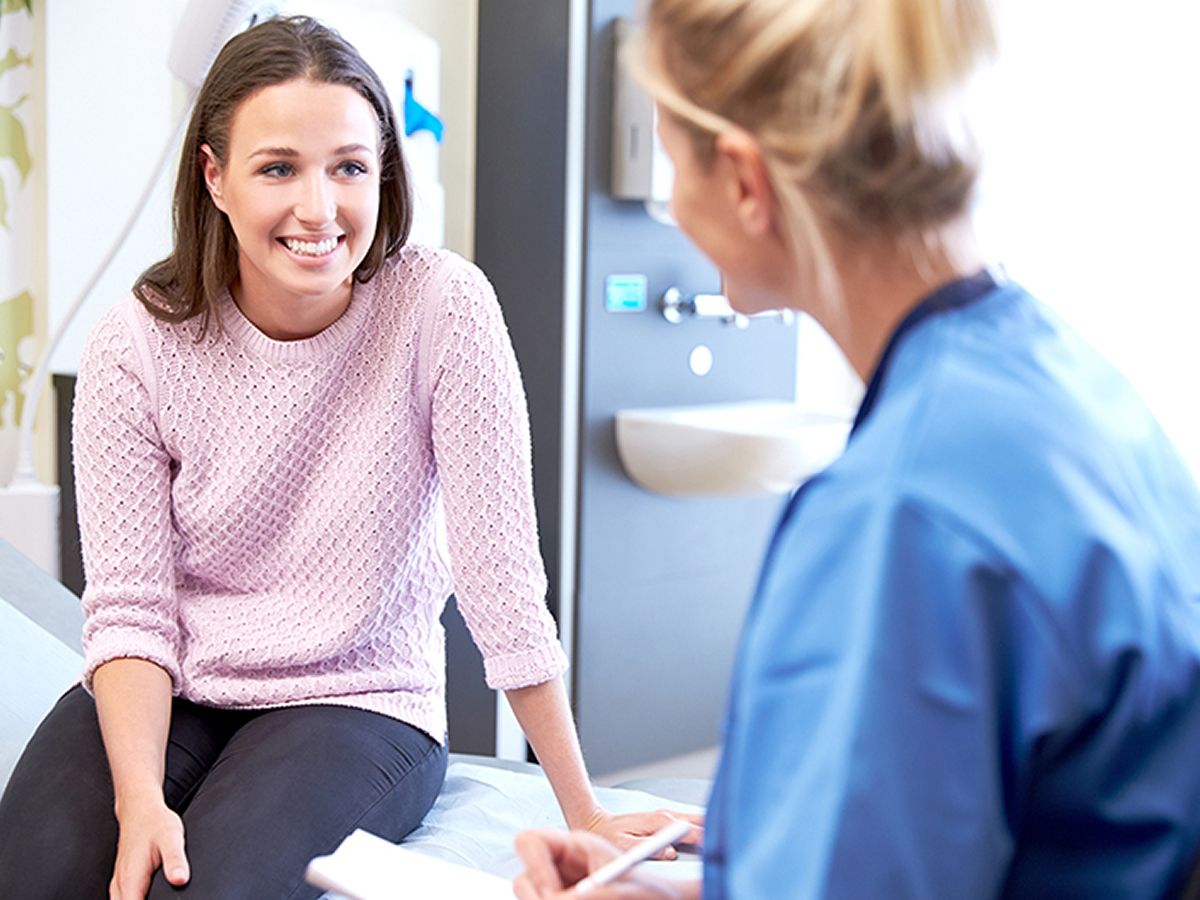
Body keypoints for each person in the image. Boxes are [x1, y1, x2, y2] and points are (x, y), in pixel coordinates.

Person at [0, 16, 698, 900]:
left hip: (362, 698)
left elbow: (502, 582)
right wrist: (139, 798)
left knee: (215, 887)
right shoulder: (136, 343)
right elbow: (131, 610)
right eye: (279, 168)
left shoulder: (443, 308)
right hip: (177, 686)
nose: (320, 208)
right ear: (215, 176)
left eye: (350, 168)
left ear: (383, 174)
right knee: (35, 874)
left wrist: (583, 809)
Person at [513, 0, 1200, 897]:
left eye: (674, 161)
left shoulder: (899, 518)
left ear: (747, 182)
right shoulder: (1065, 379)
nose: (673, 207)